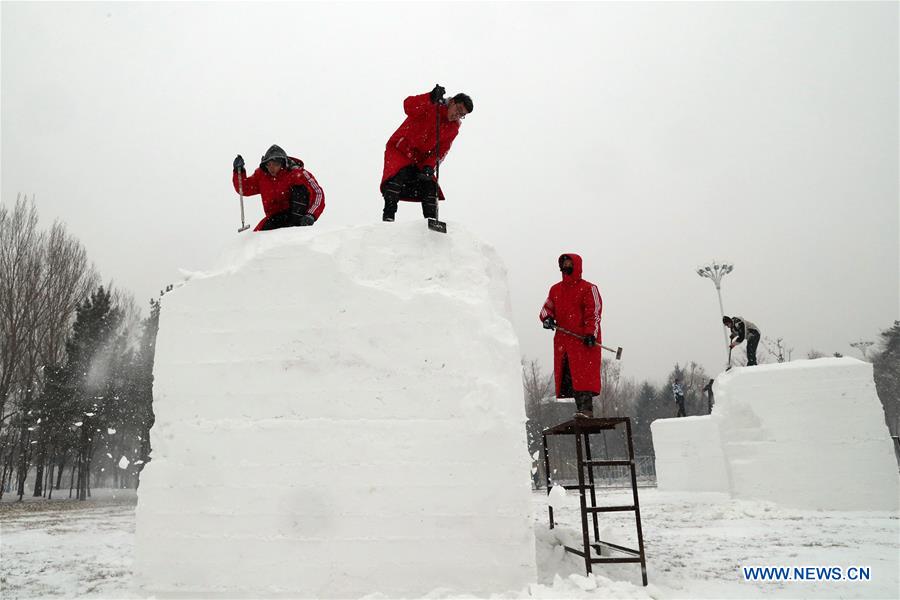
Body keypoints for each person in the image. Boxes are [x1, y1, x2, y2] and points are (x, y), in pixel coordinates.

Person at [380, 85, 473, 222]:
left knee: (430, 186)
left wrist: (429, 166)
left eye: (462, 115)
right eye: (458, 110)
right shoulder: (431, 104)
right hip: (401, 150)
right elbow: (408, 106)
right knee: (396, 179)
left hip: (420, 160)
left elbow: (440, 151)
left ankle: (431, 226)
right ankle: (388, 218)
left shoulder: (453, 128)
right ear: (452, 101)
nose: (457, 116)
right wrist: (430, 97)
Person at [539, 254, 602, 419]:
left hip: (583, 342)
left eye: (569, 263)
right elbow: (546, 308)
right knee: (571, 376)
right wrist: (547, 318)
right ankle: (581, 411)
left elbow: (594, 314)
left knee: (584, 377)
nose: (566, 266)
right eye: (564, 263)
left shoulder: (589, 288)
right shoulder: (555, 289)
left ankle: (586, 410)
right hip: (564, 341)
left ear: (577, 266)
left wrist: (591, 334)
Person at [232, 144, 325, 231]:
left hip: (296, 215)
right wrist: (238, 171)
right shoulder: (262, 176)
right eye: (269, 165)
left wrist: (311, 215)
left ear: (282, 163)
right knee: (257, 236)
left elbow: (317, 193)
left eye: (275, 164)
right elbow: (244, 188)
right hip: (275, 218)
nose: (272, 168)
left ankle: (296, 228)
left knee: (300, 189)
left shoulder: (297, 173)